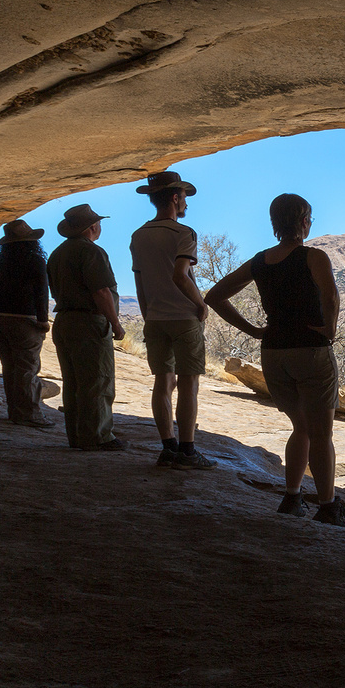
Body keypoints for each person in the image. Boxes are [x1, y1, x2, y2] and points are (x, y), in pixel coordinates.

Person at [205, 194, 343, 522]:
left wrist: (254, 331)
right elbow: (330, 295)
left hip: (274, 353)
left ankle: (292, 498)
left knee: (301, 428)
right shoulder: (314, 257)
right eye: (309, 217)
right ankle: (327, 507)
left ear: (274, 223)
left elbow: (214, 296)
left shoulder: (260, 261)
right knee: (322, 433)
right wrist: (330, 328)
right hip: (310, 349)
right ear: (304, 220)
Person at [130, 171, 216, 470]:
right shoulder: (184, 233)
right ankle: (188, 450)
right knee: (188, 383)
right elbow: (181, 275)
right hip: (183, 316)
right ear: (174, 198)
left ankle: (168, 447)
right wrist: (200, 304)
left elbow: (140, 282)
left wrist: (147, 313)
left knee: (161, 382)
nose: (186, 206)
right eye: (184, 199)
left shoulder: (138, 235)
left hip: (154, 317)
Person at [46, 203, 126, 451]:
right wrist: (115, 323)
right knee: (97, 380)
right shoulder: (92, 252)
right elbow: (101, 291)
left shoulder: (57, 253)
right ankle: (98, 437)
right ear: (93, 226)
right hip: (88, 322)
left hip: (64, 321)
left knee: (73, 382)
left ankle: (78, 436)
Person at [0, 219, 55, 427]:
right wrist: (43, 320)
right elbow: (41, 292)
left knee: (9, 366)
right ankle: (30, 414)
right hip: (24, 319)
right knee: (27, 367)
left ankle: (14, 411)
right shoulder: (34, 260)